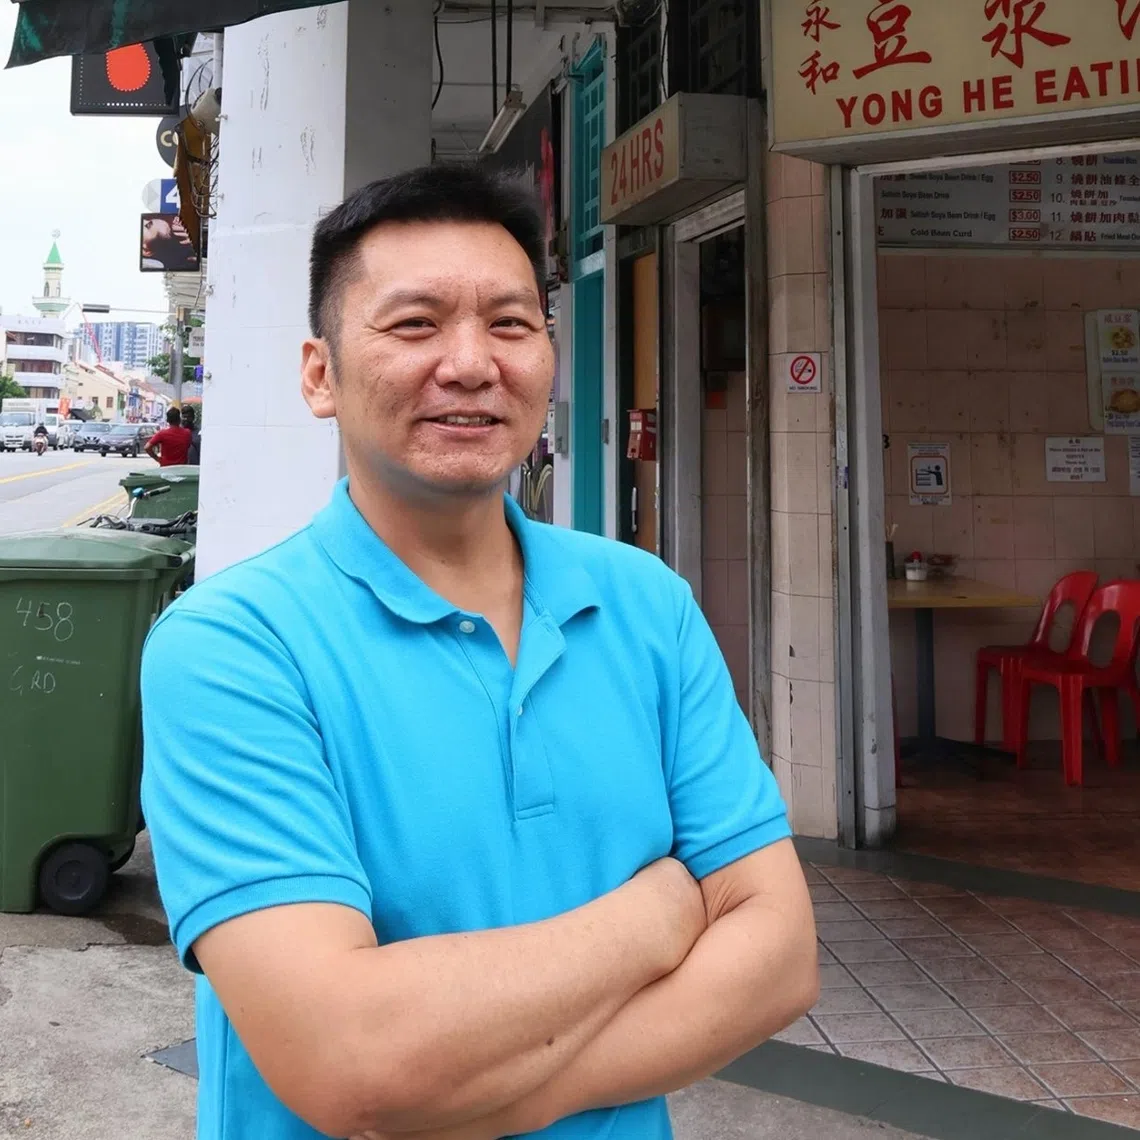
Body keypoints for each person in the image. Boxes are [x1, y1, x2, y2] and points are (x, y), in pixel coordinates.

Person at [140, 163, 818, 1140]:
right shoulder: (233, 648)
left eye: (510, 323)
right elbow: (351, 1060)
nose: (470, 363)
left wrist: (478, 1100)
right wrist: (663, 911)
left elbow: (780, 958)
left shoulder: (645, 605)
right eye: (415, 324)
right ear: (319, 374)